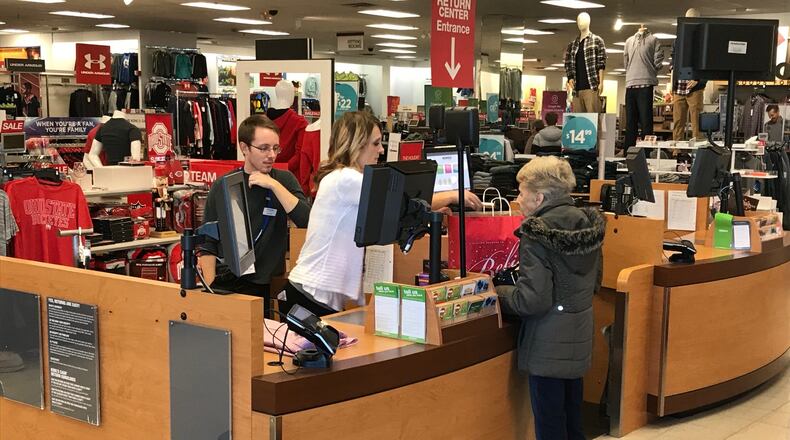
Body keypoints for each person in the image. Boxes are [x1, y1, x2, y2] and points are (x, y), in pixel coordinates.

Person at [283, 111, 483, 317]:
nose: (381, 149)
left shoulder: (347, 180)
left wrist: (424, 213)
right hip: (310, 294)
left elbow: (393, 214)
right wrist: (453, 195)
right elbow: (398, 200)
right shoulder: (344, 179)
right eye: (376, 143)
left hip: (318, 296)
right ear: (357, 144)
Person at [496, 156, 605, 440]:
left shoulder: (536, 234)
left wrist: (497, 293)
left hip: (547, 343)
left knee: (549, 425)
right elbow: (594, 282)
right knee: (572, 421)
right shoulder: (587, 225)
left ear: (539, 198)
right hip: (578, 334)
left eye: (521, 193)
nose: (517, 200)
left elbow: (532, 300)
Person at [198, 114, 310, 318]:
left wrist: (273, 185)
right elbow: (208, 242)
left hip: (265, 286)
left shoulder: (283, 180)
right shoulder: (224, 185)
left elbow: (307, 220)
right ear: (244, 148)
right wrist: (211, 288)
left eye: (275, 148)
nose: (271, 155)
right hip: (228, 283)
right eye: (264, 148)